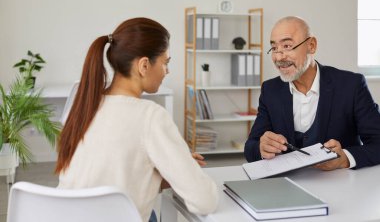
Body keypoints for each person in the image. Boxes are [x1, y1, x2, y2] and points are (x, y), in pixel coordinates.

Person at [55, 17, 218, 222]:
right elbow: (204, 200)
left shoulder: (84, 106)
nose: (167, 71)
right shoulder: (150, 116)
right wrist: (187, 168)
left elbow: (104, 178)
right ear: (143, 65)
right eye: (165, 63)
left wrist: (161, 172)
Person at [244, 16, 380, 170]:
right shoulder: (270, 90)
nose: (279, 57)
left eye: (287, 46)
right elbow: (251, 147)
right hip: (288, 186)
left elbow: (377, 143)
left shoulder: (351, 85)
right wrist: (261, 148)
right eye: (274, 48)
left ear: (311, 46)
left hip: (340, 185)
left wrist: (345, 159)